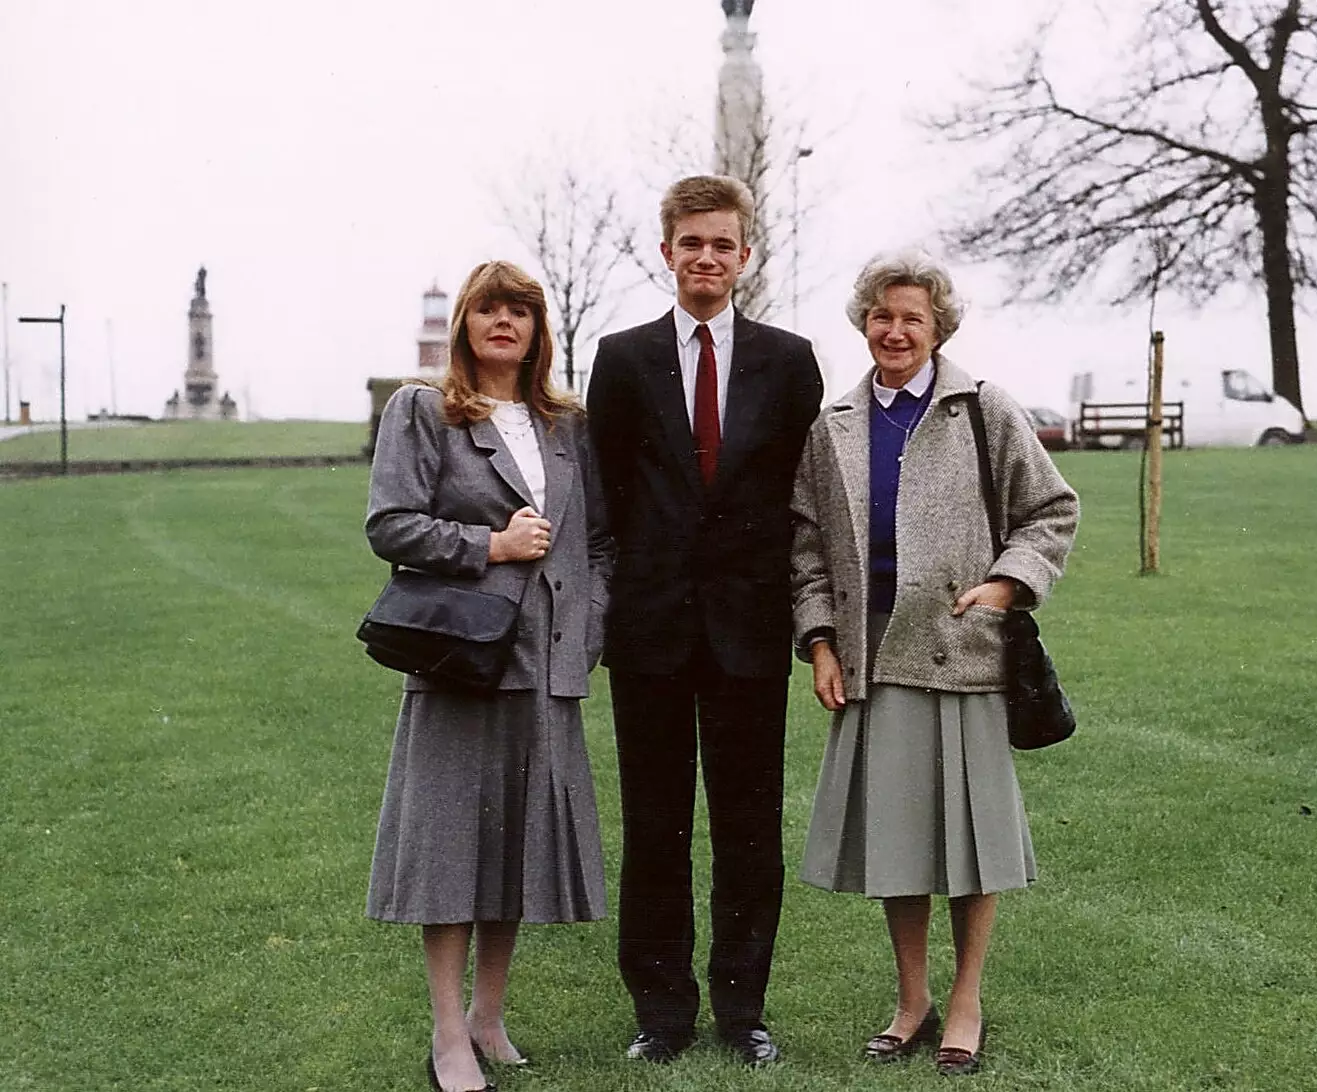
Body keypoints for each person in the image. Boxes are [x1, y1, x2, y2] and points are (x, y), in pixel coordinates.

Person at [790, 252, 1079, 1076]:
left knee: (972, 842)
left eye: (913, 318)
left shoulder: (983, 409)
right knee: (899, 840)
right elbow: (806, 546)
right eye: (883, 316)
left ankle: (965, 1002)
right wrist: (819, 640)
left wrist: (1006, 585)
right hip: (872, 660)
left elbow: (1051, 510)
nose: (896, 331)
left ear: (938, 327)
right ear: (864, 323)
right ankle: (912, 999)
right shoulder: (833, 425)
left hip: (961, 656)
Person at [586, 175, 824, 1067]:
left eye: (723, 245)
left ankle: (741, 1009)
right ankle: (662, 1013)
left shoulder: (789, 360)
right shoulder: (621, 358)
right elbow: (605, 500)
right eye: (692, 244)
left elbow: (805, 499)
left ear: (744, 257)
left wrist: (808, 624)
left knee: (747, 828)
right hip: (649, 634)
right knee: (655, 825)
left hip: (747, 635)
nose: (707, 259)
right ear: (667, 252)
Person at [365, 260, 613, 1092]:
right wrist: (488, 547)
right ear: (465, 322)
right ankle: (446, 1035)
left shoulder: (568, 425)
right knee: (448, 848)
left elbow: (600, 544)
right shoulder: (423, 410)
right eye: (488, 309)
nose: (503, 323)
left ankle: (489, 1017)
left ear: (539, 329)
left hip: (547, 667)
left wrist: (585, 635)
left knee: (515, 845)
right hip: (462, 660)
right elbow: (391, 523)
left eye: (520, 311)